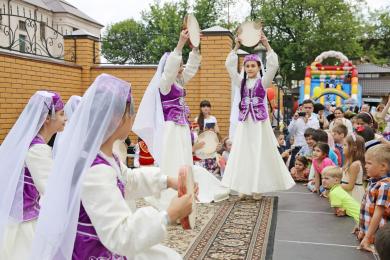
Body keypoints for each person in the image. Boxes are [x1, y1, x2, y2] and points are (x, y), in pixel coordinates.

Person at [30, 74, 192, 259]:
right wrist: (168, 215)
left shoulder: (100, 154)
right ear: (118, 118)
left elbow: (128, 179)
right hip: (95, 251)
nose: (133, 118)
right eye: (131, 113)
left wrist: (168, 181)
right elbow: (120, 234)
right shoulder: (96, 170)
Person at [132, 29, 201, 209]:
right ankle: (171, 200)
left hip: (182, 127)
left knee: (184, 160)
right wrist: (180, 45)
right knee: (173, 161)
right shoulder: (165, 84)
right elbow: (170, 71)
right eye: (180, 64)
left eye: (182, 64)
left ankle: (184, 197)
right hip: (171, 127)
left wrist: (195, 49)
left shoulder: (179, 81)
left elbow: (192, 69)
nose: (182, 67)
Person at [222, 31, 295, 199]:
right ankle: (243, 187)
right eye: (247, 66)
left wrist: (267, 45)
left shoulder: (263, 82)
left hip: (259, 124)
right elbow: (229, 66)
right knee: (243, 152)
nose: (250, 69)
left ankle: (257, 188)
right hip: (245, 123)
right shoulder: (240, 82)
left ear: (258, 67)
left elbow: (274, 65)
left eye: (253, 66)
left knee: (258, 153)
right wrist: (236, 47)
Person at [0, 91, 66, 259]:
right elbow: (53, 189)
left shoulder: (32, 144)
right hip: (26, 225)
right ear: (47, 119)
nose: (65, 118)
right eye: (61, 113)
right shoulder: (37, 149)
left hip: (27, 215)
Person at [358, 144, 390, 252]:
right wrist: (360, 226)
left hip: (376, 237)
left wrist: (367, 237)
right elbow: (366, 207)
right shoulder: (373, 181)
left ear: (383, 167)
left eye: (369, 163)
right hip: (368, 234)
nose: (365, 166)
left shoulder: (384, 186)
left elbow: (378, 213)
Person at [288, 99, 320, 169]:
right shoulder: (297, 118)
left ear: (313, 109)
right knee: (293, 170)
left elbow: (314, 134)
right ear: (301, 108)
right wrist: (294, 119)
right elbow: (290, 132)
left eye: (309, 108)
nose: (307, 110)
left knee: (307, 170)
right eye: (306, 108)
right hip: (297, 148)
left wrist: (307, 122)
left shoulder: (315, 120)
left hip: (309, 149)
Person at [341, 134, 366, 203]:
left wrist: (335, 185)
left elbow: (350, 186)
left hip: (354, 195)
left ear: (354, 148)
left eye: (345, 145)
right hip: (348, 193)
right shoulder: (349, 161)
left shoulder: (355, 165)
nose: (342, 147)